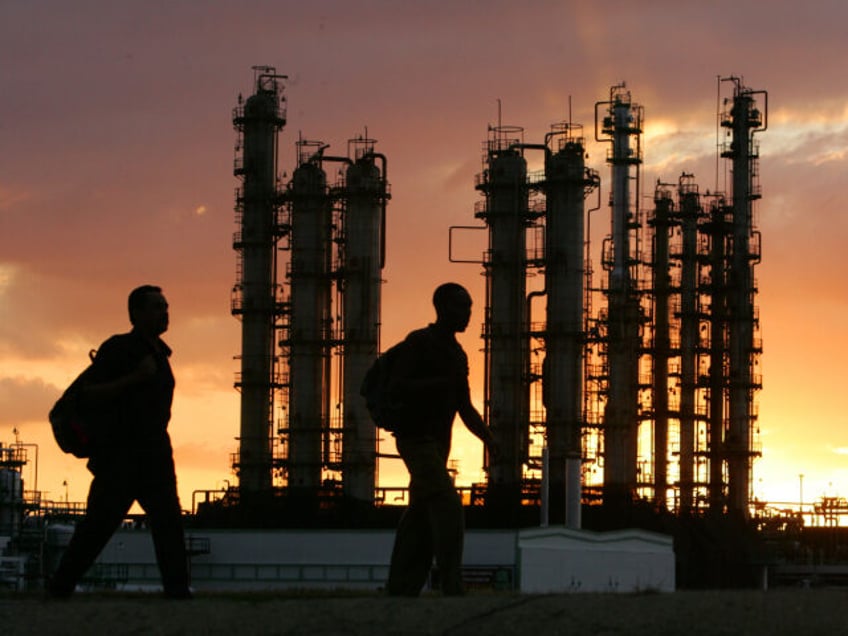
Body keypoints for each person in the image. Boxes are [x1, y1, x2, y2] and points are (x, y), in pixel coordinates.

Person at [48, 285, 191, 599]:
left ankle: (178, 592)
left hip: (154, 451)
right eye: (156, 307)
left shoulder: (161, 354)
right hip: (121, 454)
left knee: (168, 522)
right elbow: (89, 393)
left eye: (165, 306)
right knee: (98, 526)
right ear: (135, 314)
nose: (164, 312)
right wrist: (135, 377)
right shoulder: (119, 349)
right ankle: (60, 588)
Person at [385, 282, 496, 597]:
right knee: (448, 504)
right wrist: (439, 382)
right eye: (462, 307)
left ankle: (400, 589)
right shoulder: (419, 343)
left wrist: (489, 439)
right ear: (443, 307)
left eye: (470, 308)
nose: (468, 315)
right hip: (415, 441)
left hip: (438, 446)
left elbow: (464, 407)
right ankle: (452, 583)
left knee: (419, 516)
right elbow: (397, 386)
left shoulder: (458, 354)